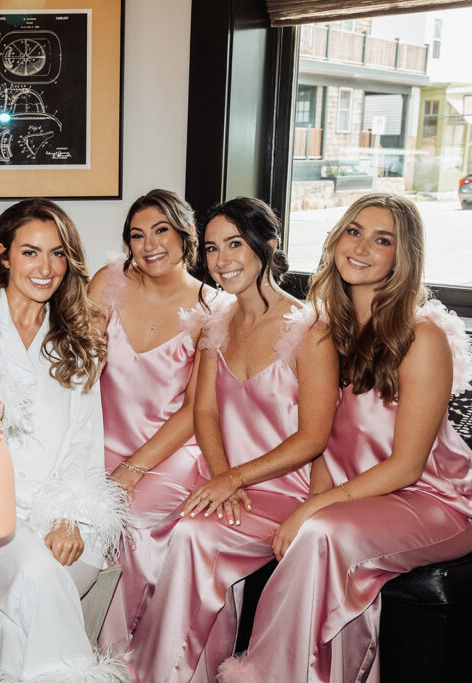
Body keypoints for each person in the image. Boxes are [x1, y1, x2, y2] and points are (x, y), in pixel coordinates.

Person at [217, 194, 472, 683]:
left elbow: (408, 467)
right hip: (366, 495)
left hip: (436, 500)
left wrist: (311, 510)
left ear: (400, 256)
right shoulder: (325, 329)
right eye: (353, 231)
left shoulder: (422, 335)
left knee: (322, 532)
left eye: (381, 239)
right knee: (318, 532)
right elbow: (321, 438)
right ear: (335, 239)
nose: (362, 246)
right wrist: (314, 497)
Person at [0, 198, 131, 681]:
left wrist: (71, 517)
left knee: (25, 608)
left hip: (69, 525)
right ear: (4, 254)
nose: (46, 267)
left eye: (57, 254)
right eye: (30, 252)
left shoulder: (76, 337)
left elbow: (84, 441)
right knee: (34, 574)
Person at [126, 197, 339, 682]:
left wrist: (235, 479)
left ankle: (154, 673)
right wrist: (223, 477)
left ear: (269, 245)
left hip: (286, 491)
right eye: (213, 249)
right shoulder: (213, 322)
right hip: (222, 476)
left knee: (194, 534)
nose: (222, 261)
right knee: (156, 520)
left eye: (235, 245)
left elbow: (313, 437)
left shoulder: (312, 328)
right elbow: (203, 410)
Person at [88, 189, 216, 651]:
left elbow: (195, 412)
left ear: (186, 236)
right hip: (98, 441)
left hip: (169, 452)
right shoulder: (109, 282)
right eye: (137, 235)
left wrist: (132, 469)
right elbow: (76, 366)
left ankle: (118, 661)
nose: (149, 244)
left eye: (161, 230)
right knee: (71, 518)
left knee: (132, 525)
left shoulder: (211, 308)